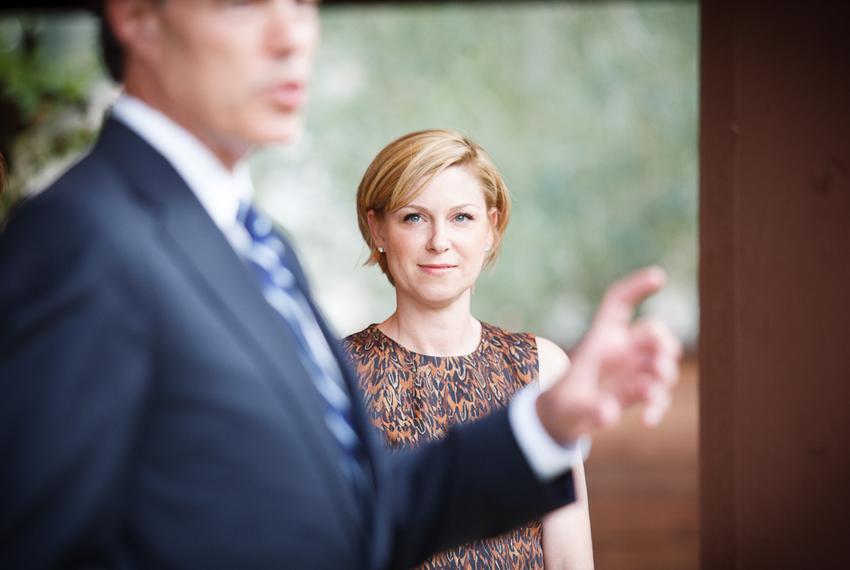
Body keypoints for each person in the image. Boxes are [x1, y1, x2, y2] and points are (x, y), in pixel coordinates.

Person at [0, 1, 680, 568]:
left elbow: (357, 515)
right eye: (244, 1)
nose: (292, 34)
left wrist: (547, 423)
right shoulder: (80, 241)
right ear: (137, 17)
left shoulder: (256, 246)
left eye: (302, 3)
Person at [344, 129, 594, 569]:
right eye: (414, 217)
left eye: (461, 217)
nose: (439, 240)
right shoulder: (337, 374)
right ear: (377, 228)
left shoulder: (541, 367)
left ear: (491, 229)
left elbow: (572, 561)